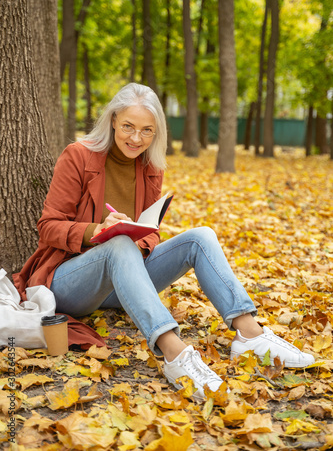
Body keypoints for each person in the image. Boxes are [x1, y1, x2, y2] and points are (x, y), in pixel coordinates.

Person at [14, 83, 314, 401]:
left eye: (146, 130)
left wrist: (136, 238)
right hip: (69, 280)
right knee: (117, 246)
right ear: (113, 119)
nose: (135, 138)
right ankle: (175, 354)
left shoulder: (151, 168)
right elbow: (48, 227)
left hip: (123, 281)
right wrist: (98, 231)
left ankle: (249, 334)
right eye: (128, 126)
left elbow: (152, 232)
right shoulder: (78, 156)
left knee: (201, 237)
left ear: (157, 133)